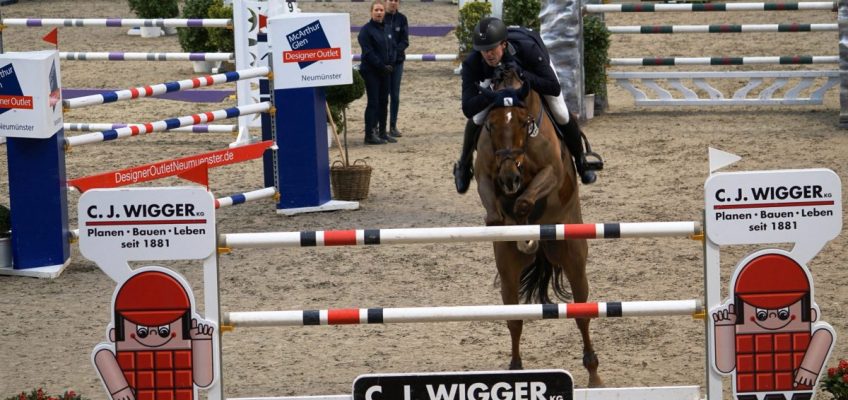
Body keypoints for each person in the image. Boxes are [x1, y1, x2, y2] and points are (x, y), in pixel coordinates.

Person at [453, 17, 602, 194]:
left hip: (530, 68)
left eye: (492, 49)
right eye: (483, 51)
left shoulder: (527, 49)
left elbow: (553, 87)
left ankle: (581, 161)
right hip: (495, 80)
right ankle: (464, 164)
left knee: (561, 112)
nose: (488, 55)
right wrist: (492, 95)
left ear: (504, 44)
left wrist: (523, 75)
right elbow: (468, 108)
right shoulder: (473, 63)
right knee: (477, 117)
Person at [358, 0, 397, 145]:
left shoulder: (387, 28)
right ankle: (369, 134)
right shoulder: (366, 31)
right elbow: (368, 53)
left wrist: (391, 63)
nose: (379, 12)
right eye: (376, 10)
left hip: (385, 72)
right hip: (371, 72)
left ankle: (382, 132)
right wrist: (381, 66)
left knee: (384, 101)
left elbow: (392, 48)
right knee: (373, 102)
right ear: (371, 12)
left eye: (381, 10)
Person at [384, 0, 409, 138]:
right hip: (383, 63)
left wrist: (394, 54)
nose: (393, 3)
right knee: (382, 95)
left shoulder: (402, 19)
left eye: (396, 1)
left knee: (395, 95)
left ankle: (393, 126)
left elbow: (405, 41)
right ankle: (379, 126)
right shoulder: (381, 16)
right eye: (390, 0)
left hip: (398, 62)